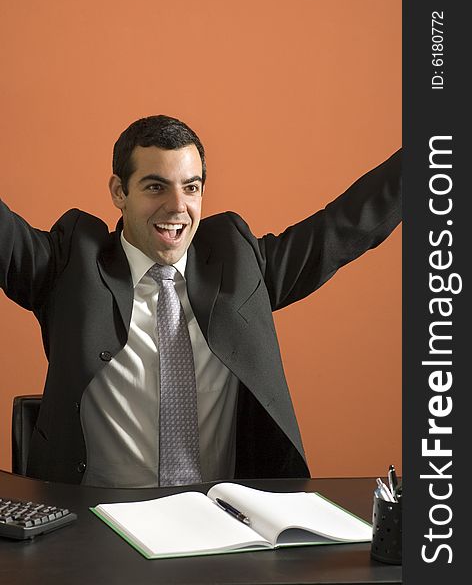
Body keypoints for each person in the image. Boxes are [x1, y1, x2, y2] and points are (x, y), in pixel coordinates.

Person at [0, 115, 401, 487]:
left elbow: (344, 227)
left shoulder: (238, 264)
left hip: (222, 526)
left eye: (191, 187)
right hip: (94, 526)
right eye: (156, 186)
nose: (177, 206)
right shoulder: (72, 265)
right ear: (119, 191)